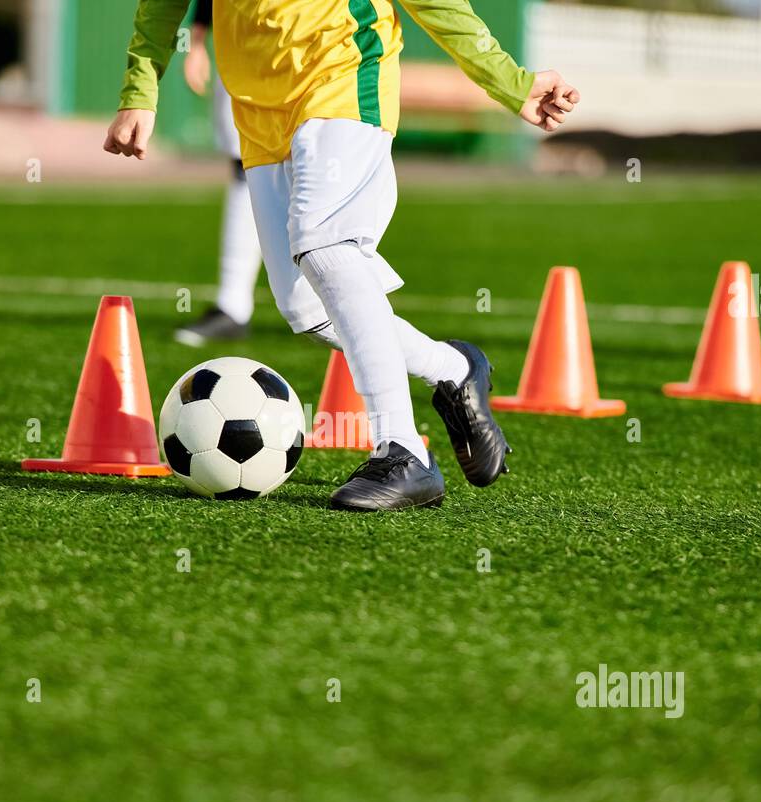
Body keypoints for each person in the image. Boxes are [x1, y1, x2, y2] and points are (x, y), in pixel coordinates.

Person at [105, 1, 579, 510]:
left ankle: (402, 450)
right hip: (258, 106)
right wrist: (141, 89)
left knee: (325, 242)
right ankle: (453, 369)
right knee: (306, 308)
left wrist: (508, 80)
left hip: (343, 70)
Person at [173, 0, 264, 346]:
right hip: (241, 41)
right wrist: (197, 39)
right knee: (246, 165)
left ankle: (336, 305)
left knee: (313, 165)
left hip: (322, 47)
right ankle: (233, 305)